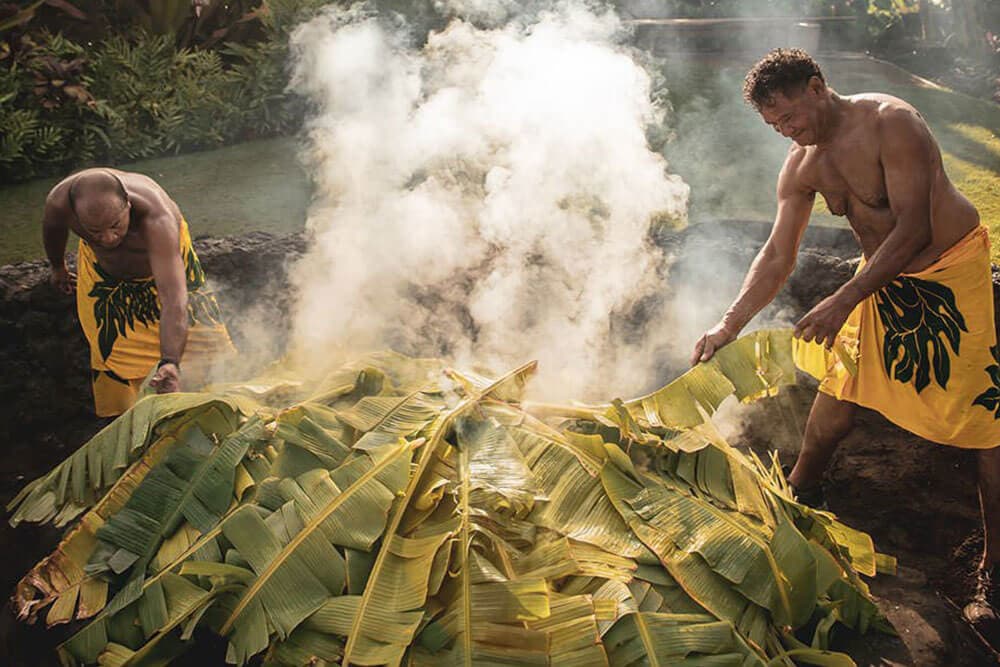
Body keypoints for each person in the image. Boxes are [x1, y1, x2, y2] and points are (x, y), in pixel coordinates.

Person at [691, 49, 1000, 628]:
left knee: (985, 421)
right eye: (775, 126)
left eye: (790, 117)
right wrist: (729, 322)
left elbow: (915, 226)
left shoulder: (892, 122)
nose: (788, 132)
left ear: (816, 87)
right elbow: (778, 253)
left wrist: (843, 298)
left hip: (948, 274)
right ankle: (801, 494)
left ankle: (994, 568)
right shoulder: (801, 165)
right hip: (878, 278)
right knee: (840, 389)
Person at [43, 168, 237, 417]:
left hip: (166, 273)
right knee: (113, 353)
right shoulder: (58, 203)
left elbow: (174, 298)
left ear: (128, 204)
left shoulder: (157, 217)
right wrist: (57, 267)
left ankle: (216, 411)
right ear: (77, 218)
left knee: (206, 344)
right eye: (95, 232)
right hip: (109, 283)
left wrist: (170, 361)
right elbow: (52, 229)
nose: (109, 238)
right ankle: (131, 424)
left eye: (115, 225)